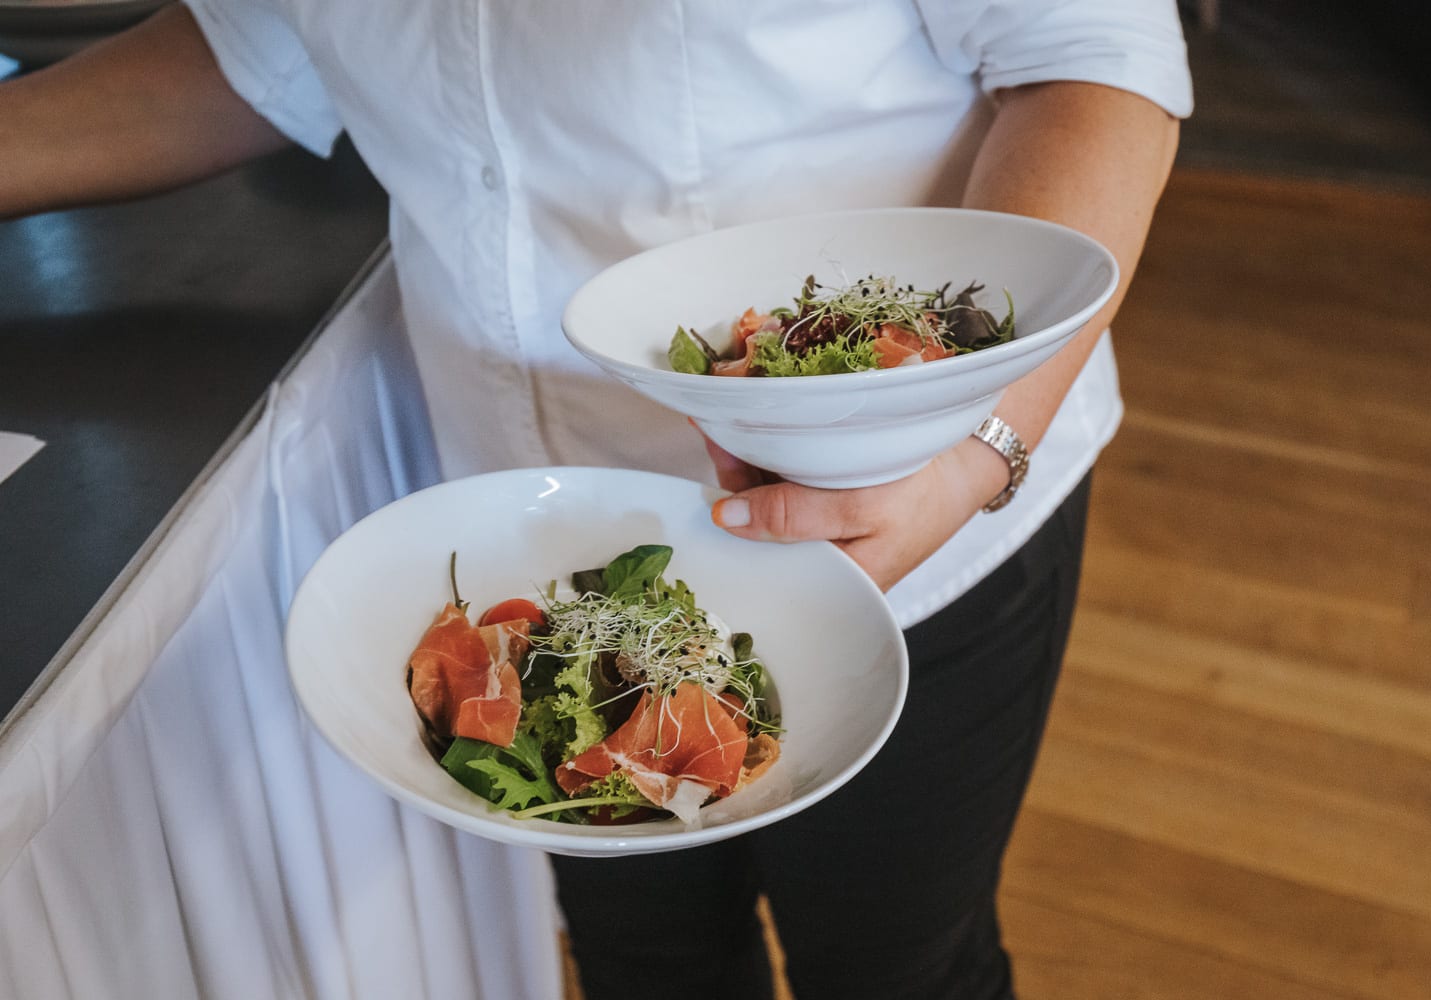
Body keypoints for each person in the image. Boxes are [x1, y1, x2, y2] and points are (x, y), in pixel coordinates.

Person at [1, 3, 1191, 997]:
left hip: (911, 505)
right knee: (645, 959)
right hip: (551, 546)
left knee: (891, 963)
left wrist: (975, 447)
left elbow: (1092, 61)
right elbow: (258, 46)